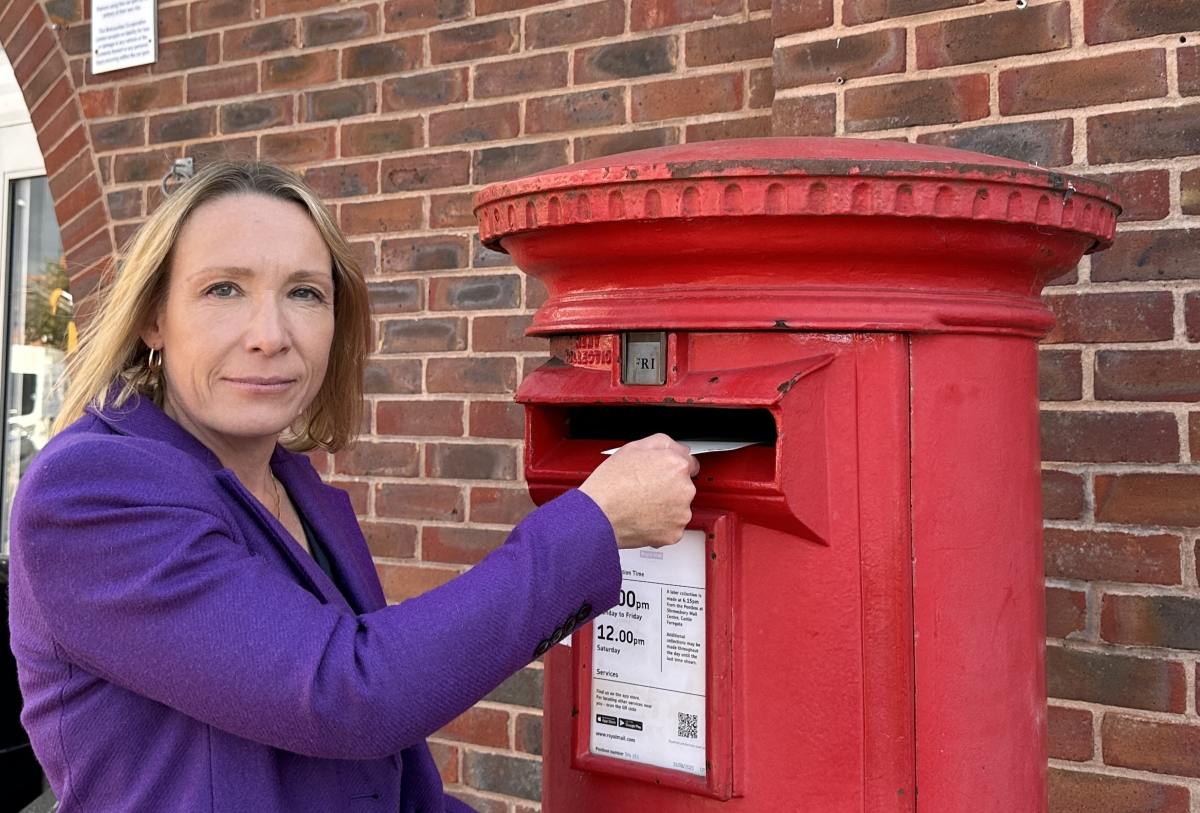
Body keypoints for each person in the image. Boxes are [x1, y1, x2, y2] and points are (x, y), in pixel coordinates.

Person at [6, 161, 698, 812]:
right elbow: (349, 694)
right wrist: (596, 523)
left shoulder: (293, 486)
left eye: (305, 292)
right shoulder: (88, 493)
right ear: (154, 317)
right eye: (224, 288)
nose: (270, 334)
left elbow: (384, 779)